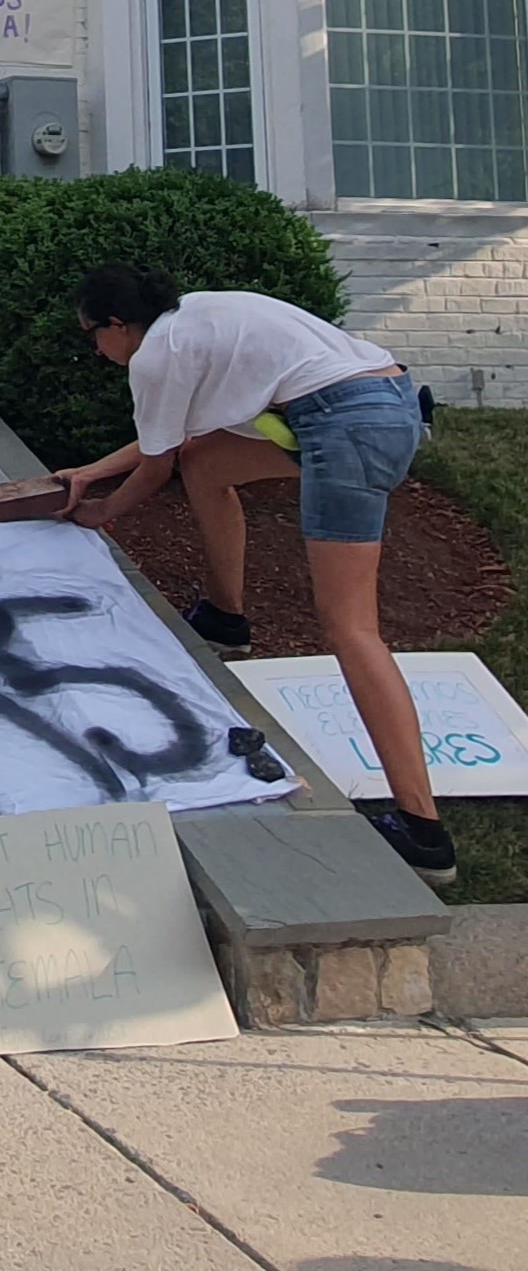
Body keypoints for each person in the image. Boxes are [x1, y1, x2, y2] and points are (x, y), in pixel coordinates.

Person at [53, 264, 452, 885]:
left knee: (351, 628)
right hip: (382, 400)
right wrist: (91, 470)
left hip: (345, 427)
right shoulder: (195, 316)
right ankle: (224, 617)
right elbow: (176, 446)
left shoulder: (156, 355)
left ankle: (422, 831)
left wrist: (100, 512)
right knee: (208, 464)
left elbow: (154, 470)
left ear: (116, 326)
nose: (93, 350)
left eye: (90, 337)